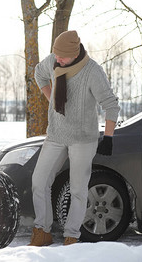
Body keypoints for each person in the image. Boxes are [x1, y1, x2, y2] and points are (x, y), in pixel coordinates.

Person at [28, 30, 120, 246]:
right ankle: (42, 231)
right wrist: (53, 99)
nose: (57, 59)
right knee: (39, 182)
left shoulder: (92, 72)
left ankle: (72, 235)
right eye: (55, 55)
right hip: (56, 135)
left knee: (78, 189)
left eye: (62, 56)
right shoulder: (53, 61)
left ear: (75, 53)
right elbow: (39, 73)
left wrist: (108, 137)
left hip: (82, 139)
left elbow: (111, 104)